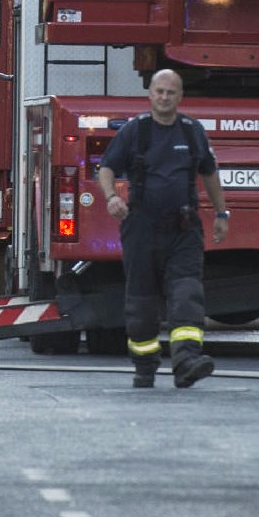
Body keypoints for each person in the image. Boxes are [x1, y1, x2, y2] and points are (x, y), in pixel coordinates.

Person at [97, 69, 229, 389]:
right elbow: (106, 168)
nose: (164, 98)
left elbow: (210, 174)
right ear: (150, 94)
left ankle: (187, 361)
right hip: (141, 228)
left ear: (180, 97)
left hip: (183, 228)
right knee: (142, 304)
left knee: (186, 294)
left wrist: (221, 213)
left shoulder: (191, 131)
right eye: (159, 92)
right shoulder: (135, 131)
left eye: (171, 92)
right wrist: (112, 196)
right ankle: (145, 365)